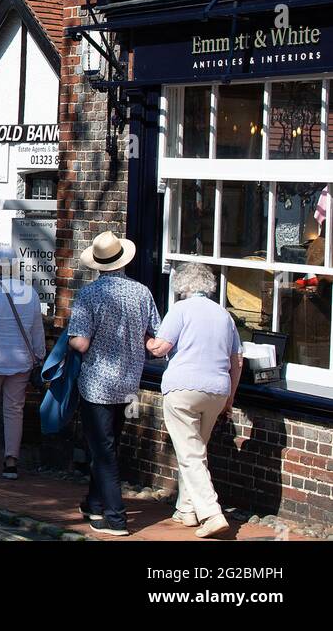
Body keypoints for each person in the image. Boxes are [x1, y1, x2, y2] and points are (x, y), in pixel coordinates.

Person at [66, 230, 161, 536]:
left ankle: (116, 518)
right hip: (128, 382)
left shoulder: (89, 295)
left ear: (98, 264)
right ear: (122, 260)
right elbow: (154, 336)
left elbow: (80, 343)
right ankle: (94, 504)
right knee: (106, 445)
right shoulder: (142, 292)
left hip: (97, 384)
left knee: (103, 451)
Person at [147, 262, 243, 539]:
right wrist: (230, 398)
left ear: (184, 287)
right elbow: (237, 360)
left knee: (190, 454)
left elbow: (160, 348)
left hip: (183, 387)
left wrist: (147, 340)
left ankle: (211, 513)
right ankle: (187, 509)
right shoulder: (224, 315)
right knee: (196, 451)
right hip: (217, 389)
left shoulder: (179, 309)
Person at [0, 246, 45, 480]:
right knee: (14, 410)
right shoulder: (30, 293)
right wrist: (39, 355)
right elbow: (36, 330)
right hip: (21, 360)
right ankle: (11, 460)